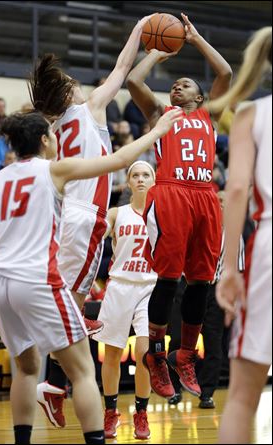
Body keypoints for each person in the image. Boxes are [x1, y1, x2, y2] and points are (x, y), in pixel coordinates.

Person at [0, 108, 182, 445]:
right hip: (35, 278)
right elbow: (120, 159)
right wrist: (158, 129)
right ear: (44, 140)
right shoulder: (54, 169)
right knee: (84, 371)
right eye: (53, 134)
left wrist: (5, 276)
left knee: (26, 369)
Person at [28, 14, 155, 427]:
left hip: (82, 216)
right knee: (73, 304)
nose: (79, 84)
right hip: (83, 218)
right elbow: (120, 68)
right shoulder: (89, 108)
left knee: (74, 303)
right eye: (71, 82)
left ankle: (52, 383)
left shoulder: (59, 123)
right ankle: (49, 385)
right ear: (68, 94)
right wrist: (139, 30)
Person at [126, 12, 232, 399]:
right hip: (170, 193)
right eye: (174, 85)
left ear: (200, 97)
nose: (176, 87)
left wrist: (196, 38)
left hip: (205, 196)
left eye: (184, 85)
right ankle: (157, 354)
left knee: (202, 281)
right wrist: (155, 51)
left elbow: (227, 74)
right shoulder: (160, 114)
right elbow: (134, 80)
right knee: (169, 278)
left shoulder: (210, 115)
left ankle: (185, 354)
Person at [207, 26, 272, 444]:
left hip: (268, 244)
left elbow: (234, 190)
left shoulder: (252, 113)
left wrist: (229, 267)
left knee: (244, 396)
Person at [92, 161, 157, 440]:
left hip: (149, 288)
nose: (141, 179)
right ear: (128, 182)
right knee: (113, 354)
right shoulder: (118, 213)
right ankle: (110, 411)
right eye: (136, 175)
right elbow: (94, 236)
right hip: (119, 286)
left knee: (146, 354)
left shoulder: (161, 214)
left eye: (146, 175)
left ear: (154, 181)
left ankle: (141, 413)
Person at [168, 191, 245, 409]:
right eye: (217, 201)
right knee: (176, 340)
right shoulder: (194, 226)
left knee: (214, 344)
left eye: (224, 202)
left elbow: (237, 272)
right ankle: (174, 389)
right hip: (189, 287)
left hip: (216, 291)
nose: (220, 205)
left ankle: (207, 393)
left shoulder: (234, 234)